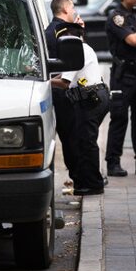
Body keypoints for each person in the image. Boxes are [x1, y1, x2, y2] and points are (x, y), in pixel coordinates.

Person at [55, 22, 109, 195]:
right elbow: (64, 75)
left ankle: (94, 184)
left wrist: (43, 82)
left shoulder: (76, 50)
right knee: (84, 140)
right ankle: (90, 181)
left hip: (90, 99)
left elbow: (64, 83)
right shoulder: (84, 48)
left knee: (86, 142)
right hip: (93, 97)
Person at [104, 0, 136, 177]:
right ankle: (113, 162)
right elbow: (132, 40)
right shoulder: (117, 17)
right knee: (119, 118)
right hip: (123, 75)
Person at [46, 0, 80, 183]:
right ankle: (78, 175)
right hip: (64, 89)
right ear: (65, 9)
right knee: (72, 136)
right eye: (72, 7)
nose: (74, 11)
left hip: (55, 90)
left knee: (66, 136)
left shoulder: (49, 30)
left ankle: (76, 173)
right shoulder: (65, 31)